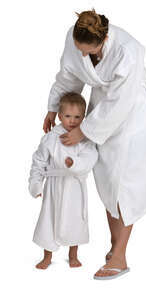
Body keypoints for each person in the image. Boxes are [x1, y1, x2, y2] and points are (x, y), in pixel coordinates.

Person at [43, 9, 146, 280]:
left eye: (89, 51)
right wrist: (52, 108)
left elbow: (120, 103)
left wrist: (83, 131)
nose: (83, 55)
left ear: (104, 38)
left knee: (125, 184)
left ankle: (120, 255)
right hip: (101, 111)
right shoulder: (76, 40)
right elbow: (68, 75)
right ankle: (113, 245)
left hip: (132, 116)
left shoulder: (129, 50)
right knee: (108, 180)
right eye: (79, 50)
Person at [29, 92, 98, 270]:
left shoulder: (85, 140)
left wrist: (74, 163)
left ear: (84, 117)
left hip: (74, 186)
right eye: (68, 116)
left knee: (75, 219)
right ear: (59, 116)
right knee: (49, 220)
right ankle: (47, 257)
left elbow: (91, 158)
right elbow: (39, 161)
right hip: (53, 186)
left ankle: (73, 255)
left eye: (77, 117)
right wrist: (36, 184)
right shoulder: (50, 138)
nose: (72, 121)